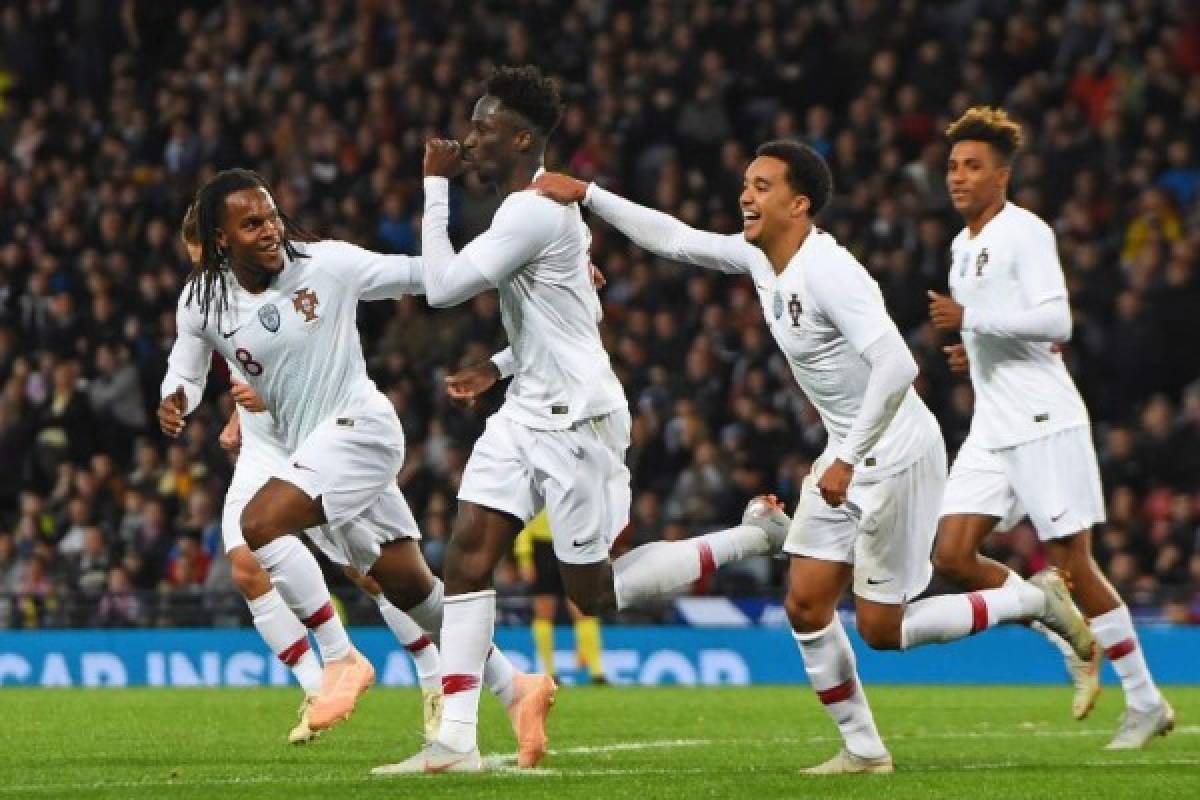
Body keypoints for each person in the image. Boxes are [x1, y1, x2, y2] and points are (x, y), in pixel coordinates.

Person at [531, 138, 1093, 774]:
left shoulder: (830, 272)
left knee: (885, 630)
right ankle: (863, 748)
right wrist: (589, 195)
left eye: (763, 185)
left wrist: (848, 457)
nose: (747, 193)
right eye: (747, 182)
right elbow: (679, 239)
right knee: (804, 605)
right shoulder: (761, 258)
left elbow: (897, 364)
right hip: (847, 453)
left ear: (799, 205)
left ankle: (1033, 600)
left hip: (895, 453)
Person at [380, 65, 790, 774]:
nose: (469, 138)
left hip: (578, 421)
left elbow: (443, 289)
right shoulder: (535, 211)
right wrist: (502, 367)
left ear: (520, 137)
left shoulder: (534, 211)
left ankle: (753, 537)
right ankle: (454, 741)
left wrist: (434, 185)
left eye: (482, 127)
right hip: (524, 409)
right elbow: (580, 315)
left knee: (591, 593)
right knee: (468, 554)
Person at [159, 171, 555, 757]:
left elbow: (428, 276)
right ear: (221, 239)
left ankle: (340, 659)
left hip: (361, 431)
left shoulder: (329, 265)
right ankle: (516, 686)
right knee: (411, 590)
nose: (270, 230)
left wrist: (533, 272)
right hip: (311, 454)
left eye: (271, 215)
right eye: (251, 224)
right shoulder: (203, 299)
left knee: (259, 524)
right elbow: (187, 371)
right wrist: (177, 401)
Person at [927, 106, 1174, 750]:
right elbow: (1001, 328)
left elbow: (1056, 321)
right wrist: (970, 351)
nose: (958, 178)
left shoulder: (1025, 233)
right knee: (951, 555)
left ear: (1002, 176)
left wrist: (972, 320)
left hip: (1042, 420)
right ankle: (1055, 621)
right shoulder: (962, 246)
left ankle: (1145, 701)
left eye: (972, 167)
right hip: (992, 424)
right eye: (953, 166)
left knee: (1074, 562)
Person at [179, 205, 442, 744]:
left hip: (319, 438)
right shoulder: (209, 302)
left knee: (373, 574)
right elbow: (243, 360)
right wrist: (236, 415)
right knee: (247, 565)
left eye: (205, 259)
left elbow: (291, 358)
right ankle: (319, 678)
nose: (203, 274)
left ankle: (436, 677)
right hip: (262, 453)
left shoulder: (296, 277)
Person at [514, 511, 607, 684]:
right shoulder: (536, 483)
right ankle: (550, 671)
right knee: (544, 612)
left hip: (574, 543)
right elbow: (524, 514)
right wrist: (525, 556)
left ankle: (597, 671)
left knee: (582, 608)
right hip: (542, 547)